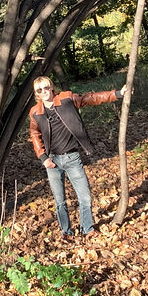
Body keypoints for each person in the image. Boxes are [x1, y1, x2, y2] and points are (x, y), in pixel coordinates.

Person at [28, 76, 125, 237]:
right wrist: (44, 158)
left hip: (72, 158)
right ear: (36, 93)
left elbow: (90, 98)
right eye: (40, 90)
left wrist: (117, 94)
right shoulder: (35, 112)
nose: (44, 92)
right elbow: (34, 135)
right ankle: (66, 231)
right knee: (59, 201)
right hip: (52, 161)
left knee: (85, 197)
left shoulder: (66, 99)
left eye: (46, 87)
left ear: (51, 87)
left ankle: (87, 228)